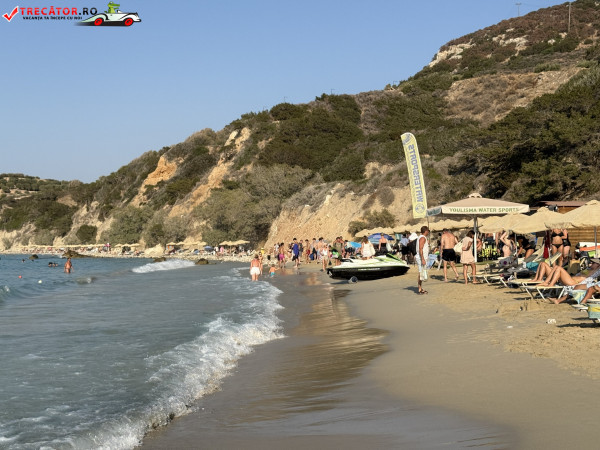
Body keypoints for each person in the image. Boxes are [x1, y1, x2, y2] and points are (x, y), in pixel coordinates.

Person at [415, 226, 430, 294]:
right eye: (428, 231)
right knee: (420, 273)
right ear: (426, 231)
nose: (428, 232)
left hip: (421, 257)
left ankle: (420, 288)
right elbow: (420, 249)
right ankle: (420, 289)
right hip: (421, 258)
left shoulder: (422, 237)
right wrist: (423, 259)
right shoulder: (422, 238)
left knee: (422, 273)